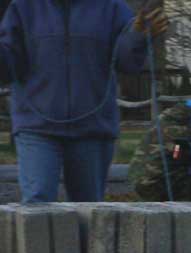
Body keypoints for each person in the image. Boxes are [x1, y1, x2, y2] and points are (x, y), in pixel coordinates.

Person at [0, 0, 168, 204]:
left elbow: (127, 62)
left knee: (89, 210)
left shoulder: (112, 8)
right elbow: (8, 68)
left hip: (92, 128)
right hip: (36, 127)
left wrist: (139, 37)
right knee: (37, 202)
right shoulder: (23, 7)